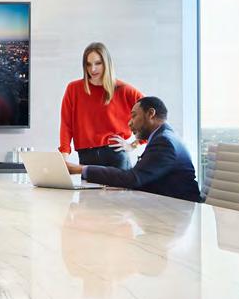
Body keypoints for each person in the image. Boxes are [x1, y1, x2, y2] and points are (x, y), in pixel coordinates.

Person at [67, 96, 201, 203]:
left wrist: (80, 169)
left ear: (151, 113)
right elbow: (138, 177)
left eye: (134, 116)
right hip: (165, 205)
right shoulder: (163, 136)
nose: (129, 122)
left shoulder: (164, 142)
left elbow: (133, 178)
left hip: (177, 210)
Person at [59, 42, 143, 170]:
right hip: (86, 157)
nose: (92, 69)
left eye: (98, 63)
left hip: (115, 157)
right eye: (88, 64)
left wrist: (134, 145)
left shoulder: (123, 89)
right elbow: (66, 124)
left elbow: (152, 115)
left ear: (107, 63)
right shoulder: (73, 89)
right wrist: (64, 158)